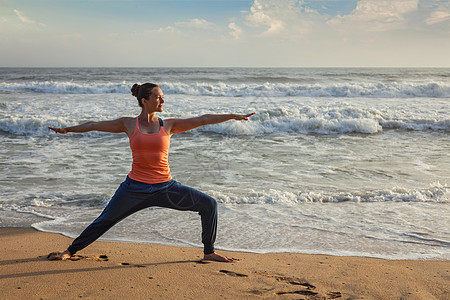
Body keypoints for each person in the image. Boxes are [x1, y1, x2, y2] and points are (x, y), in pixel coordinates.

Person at [48, 82, 255, 262]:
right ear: (145, 100)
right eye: (158, 98)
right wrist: (68, 129)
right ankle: (70, 250)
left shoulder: (169, 125)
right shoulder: (128, 123)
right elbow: (94, 125)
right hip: (133, 189)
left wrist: (231, 116)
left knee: (209, 204)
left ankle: (209, 253)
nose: (162, 101)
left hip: (166, 188)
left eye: (163, 98)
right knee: (105, 220)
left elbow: (203, 119)